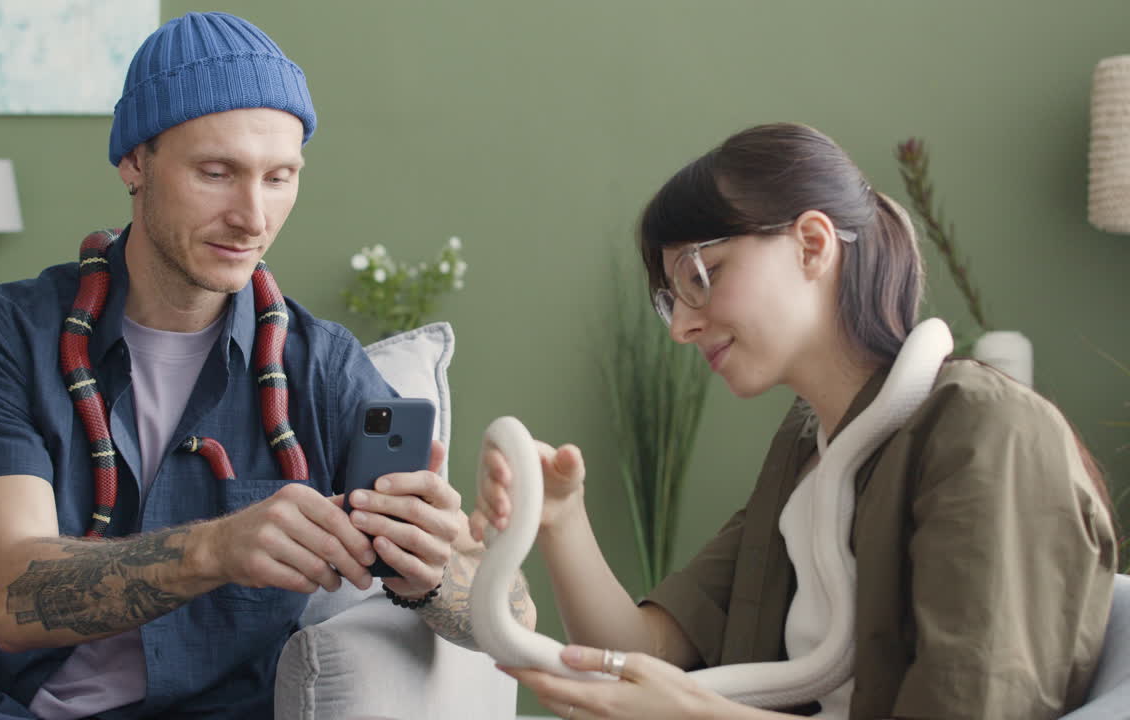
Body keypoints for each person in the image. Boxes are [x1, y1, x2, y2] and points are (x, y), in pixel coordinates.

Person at [0, 11, 531, 720]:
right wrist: (217, 549)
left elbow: (509, 614)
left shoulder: (321, 368)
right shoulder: (6, 334)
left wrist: (439, 573)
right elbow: (13, 595)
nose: (253, 216)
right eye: (217, 172)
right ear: (135, 162)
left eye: (280, 177)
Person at [472, 123, 1118, 720]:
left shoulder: (986, 431)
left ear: (811, 243)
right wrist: (560, 517)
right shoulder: (808, 453)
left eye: (703, 274)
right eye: (671, 298)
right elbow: (649, 652)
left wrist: (698, 715)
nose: (681, 327)